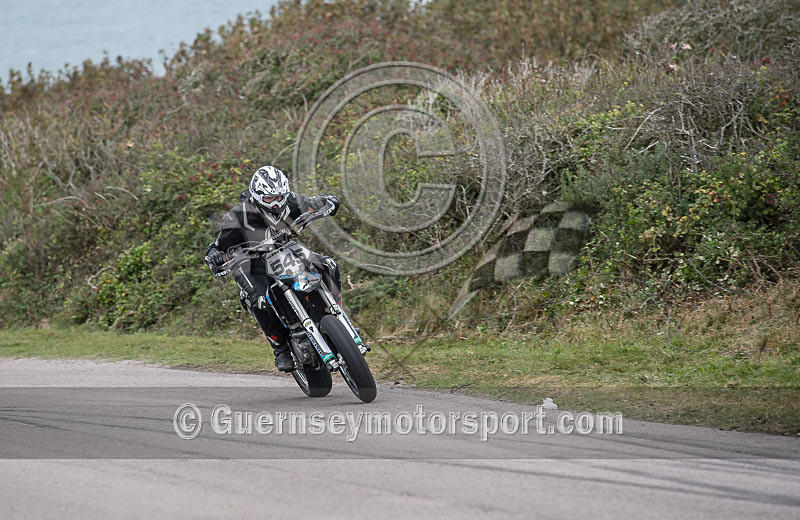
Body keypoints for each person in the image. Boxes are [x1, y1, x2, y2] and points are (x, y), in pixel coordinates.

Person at [204, 165, 341, 371]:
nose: (276, 203)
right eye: (269, 199)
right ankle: (280, 348)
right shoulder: (238, 215)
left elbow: (314, 203)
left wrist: (329, 202)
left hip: (285, 249)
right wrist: (216, 257)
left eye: (279, 197)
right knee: (259, 299)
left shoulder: (292, 200)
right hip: (250, 263)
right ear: (257, 196)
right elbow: (216, 247)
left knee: (328, 265)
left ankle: (335, 313)